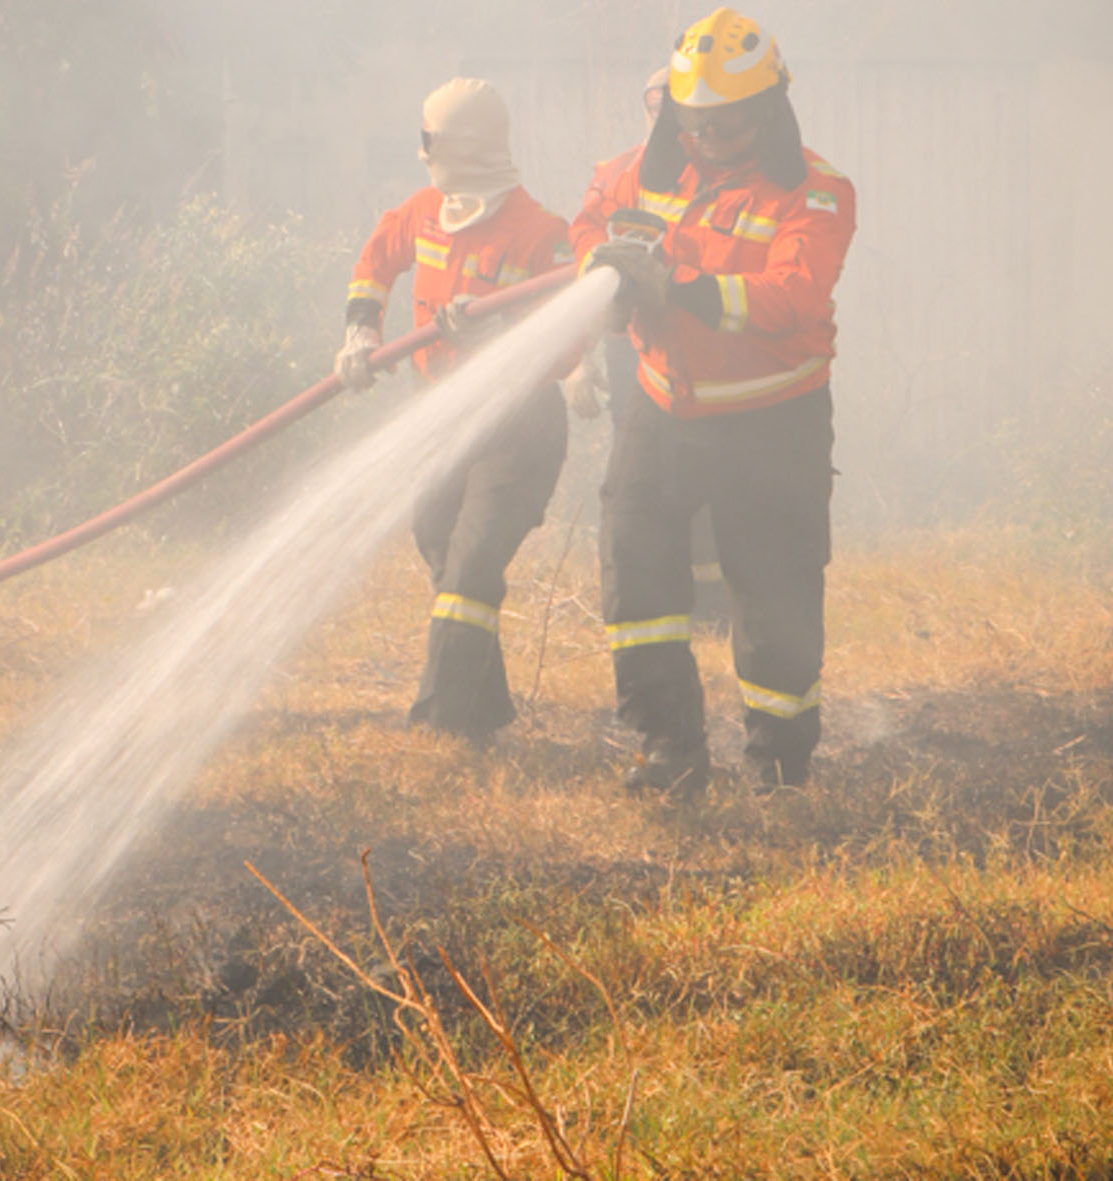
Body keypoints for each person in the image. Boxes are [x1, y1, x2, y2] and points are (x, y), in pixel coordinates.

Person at [572, 7, 856, 799]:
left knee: (773, 594)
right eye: (690, 121)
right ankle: (669, 748)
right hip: (661, 405)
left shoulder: (816, 194)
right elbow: (591, 216)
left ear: (770, 109)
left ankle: (778, 767)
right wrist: (598, 273)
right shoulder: (644, 169)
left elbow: (792, 295)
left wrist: (678, 285)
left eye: (726, 123)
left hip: (771, 423)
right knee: (634, 566)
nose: (705, 138)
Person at [333, 78, 572, 743]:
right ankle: (482, 712)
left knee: (469, 569)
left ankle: (440, 725)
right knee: (437, 537)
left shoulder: (541, 233)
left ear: (459, 146)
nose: (421, 153)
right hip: (439, 415)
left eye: (428, 140)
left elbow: (566, 340)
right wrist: (362, 329)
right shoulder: (425, 211)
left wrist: (499, 332)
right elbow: (375, 263)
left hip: (515, 426)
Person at [567, 67, 731, 627]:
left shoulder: (720, 177)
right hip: (632, 346)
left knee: (704, 473)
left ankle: (712, 604)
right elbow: (586, 252)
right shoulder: (618, 174)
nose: (664, 115)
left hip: (702, 345)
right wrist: (579, 356)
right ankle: (658, 592)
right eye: (655, 104)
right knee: (641, 474)